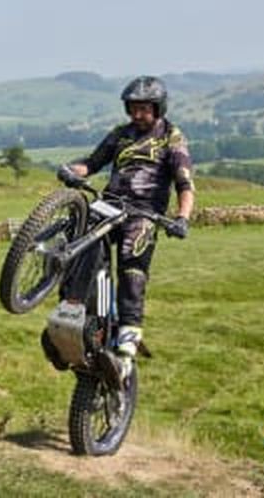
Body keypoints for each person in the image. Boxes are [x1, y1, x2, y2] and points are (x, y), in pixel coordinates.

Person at [55, 75, 195, 377]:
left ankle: (127, 348)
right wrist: (71, 170)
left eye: (144, 109)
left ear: (158, 109)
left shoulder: (172, 138)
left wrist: (182, 218)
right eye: (133, 109)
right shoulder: (120, 134)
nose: (137, 115)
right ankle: (74, 317)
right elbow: (92, 163)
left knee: (132, 267)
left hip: (144, 213)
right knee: (79, 247)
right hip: (110, 205)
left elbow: (185, 184)